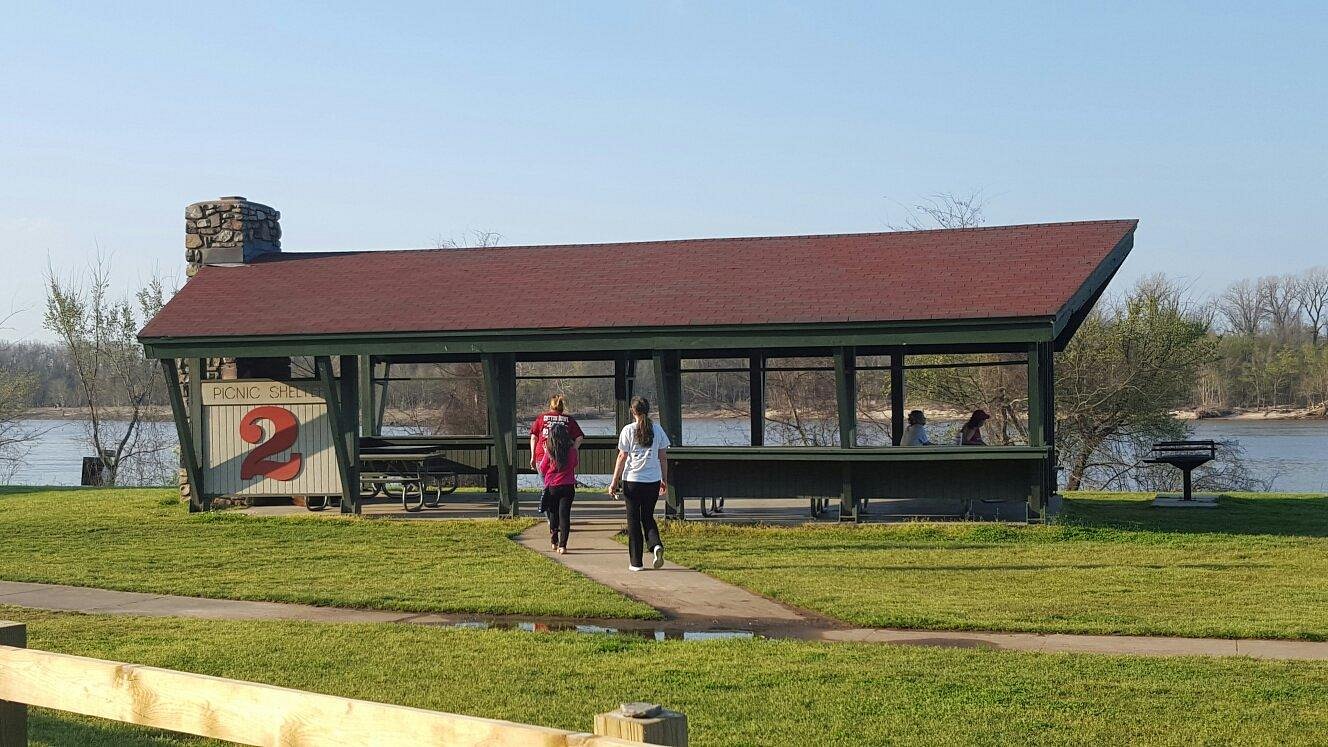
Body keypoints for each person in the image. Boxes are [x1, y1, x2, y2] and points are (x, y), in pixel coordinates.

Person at [608, 396, 670, 571]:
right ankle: (656, 544)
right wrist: (664, 479)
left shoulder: (628, 430)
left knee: (633, 520)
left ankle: (636, 562)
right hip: (652, 480)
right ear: (648, 410)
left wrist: (614, 482)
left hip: (632, 481)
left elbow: (622, 456)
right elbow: (663, 457)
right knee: (647, 516)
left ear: (632, 411)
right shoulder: (657, 430)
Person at [538, 422, 578, 554]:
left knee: (553, 513)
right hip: (568, 486)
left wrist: (545, 453)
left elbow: (542, 468)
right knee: (565, 515)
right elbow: (574, 463)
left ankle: (554, 540)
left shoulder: (550, 451)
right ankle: (563, 545)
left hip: (553, 486)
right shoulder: (571, 450)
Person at [529, 394, 585, 471]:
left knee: (548, 481)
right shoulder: (569, 419)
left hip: (542, 457)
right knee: (560, 481)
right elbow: (579, 438)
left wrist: (533, 456)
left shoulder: (541, 418)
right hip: (563, 459)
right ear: (562, 406)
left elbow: (533, 437)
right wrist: (572, 452)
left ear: (550, 406)